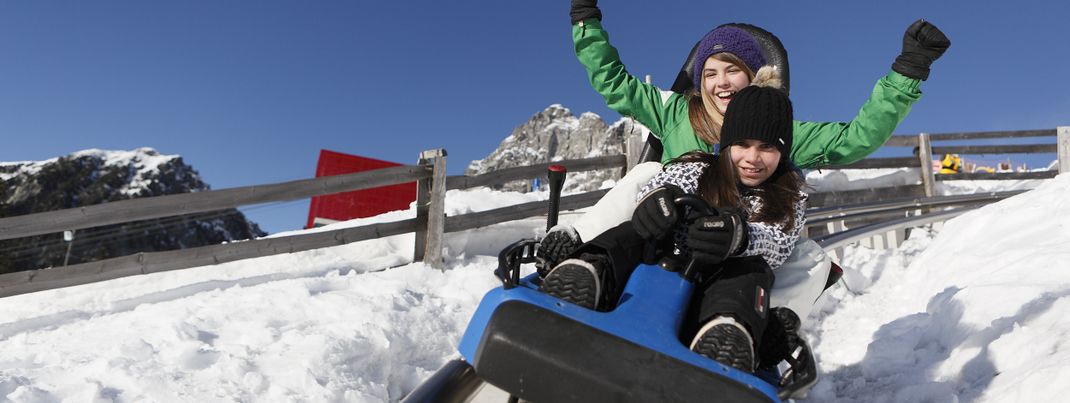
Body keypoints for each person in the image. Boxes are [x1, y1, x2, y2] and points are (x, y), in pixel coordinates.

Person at [539, 0, 951, 272]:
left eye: (731, 69)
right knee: (641, 174)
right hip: (662, 232)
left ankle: (761, 336)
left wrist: (908, 71)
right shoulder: (676, 111)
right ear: (699, 82)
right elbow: (615, 83)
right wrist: (584, 19)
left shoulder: (776, 132)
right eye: (710, 73)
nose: (721, 83)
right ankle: (575, 250)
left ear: (753, 74)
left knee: (810, 259)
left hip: (738, 246)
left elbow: (856, 139)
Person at [541, 82, 806, 373]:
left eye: (766, 147)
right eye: (742, 144)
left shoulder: (785, 197)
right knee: (635, 231)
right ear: (727, 143)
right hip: (654, 265)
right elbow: (666, 182)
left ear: (782, 151)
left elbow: (779, 241)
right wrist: (658, 200)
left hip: (713, 291)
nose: (753, 158)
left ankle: (727, 332)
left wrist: (740, 237)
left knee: (750, 271)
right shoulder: (700, 168)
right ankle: (591, 270)